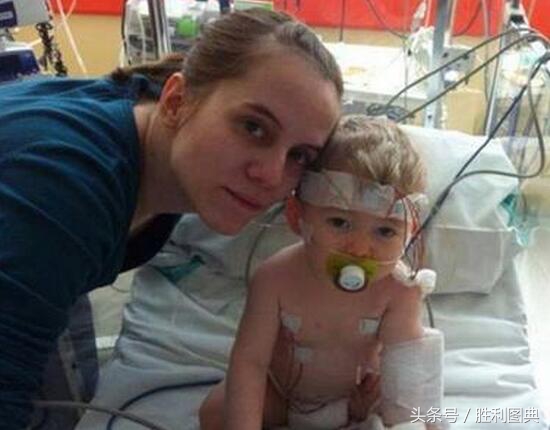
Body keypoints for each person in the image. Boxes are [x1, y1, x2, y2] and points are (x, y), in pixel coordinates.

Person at [0, 8, 343, 428]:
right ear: (177, 101)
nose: (272, 176)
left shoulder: (145, 132)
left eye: (300, 155)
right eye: (254, 128)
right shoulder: (66, 188)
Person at [199, 115, 445, 430]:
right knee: (215, 412)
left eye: (385, 231)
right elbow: (251, 362)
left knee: (410, 415)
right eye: (340, 223)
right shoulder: (274, 279)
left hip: (356, 399)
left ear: (409, 233)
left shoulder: (399, 291)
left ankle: (348, 417)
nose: (360, 249)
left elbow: (407, 377)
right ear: (297, 216)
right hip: (282, 394)